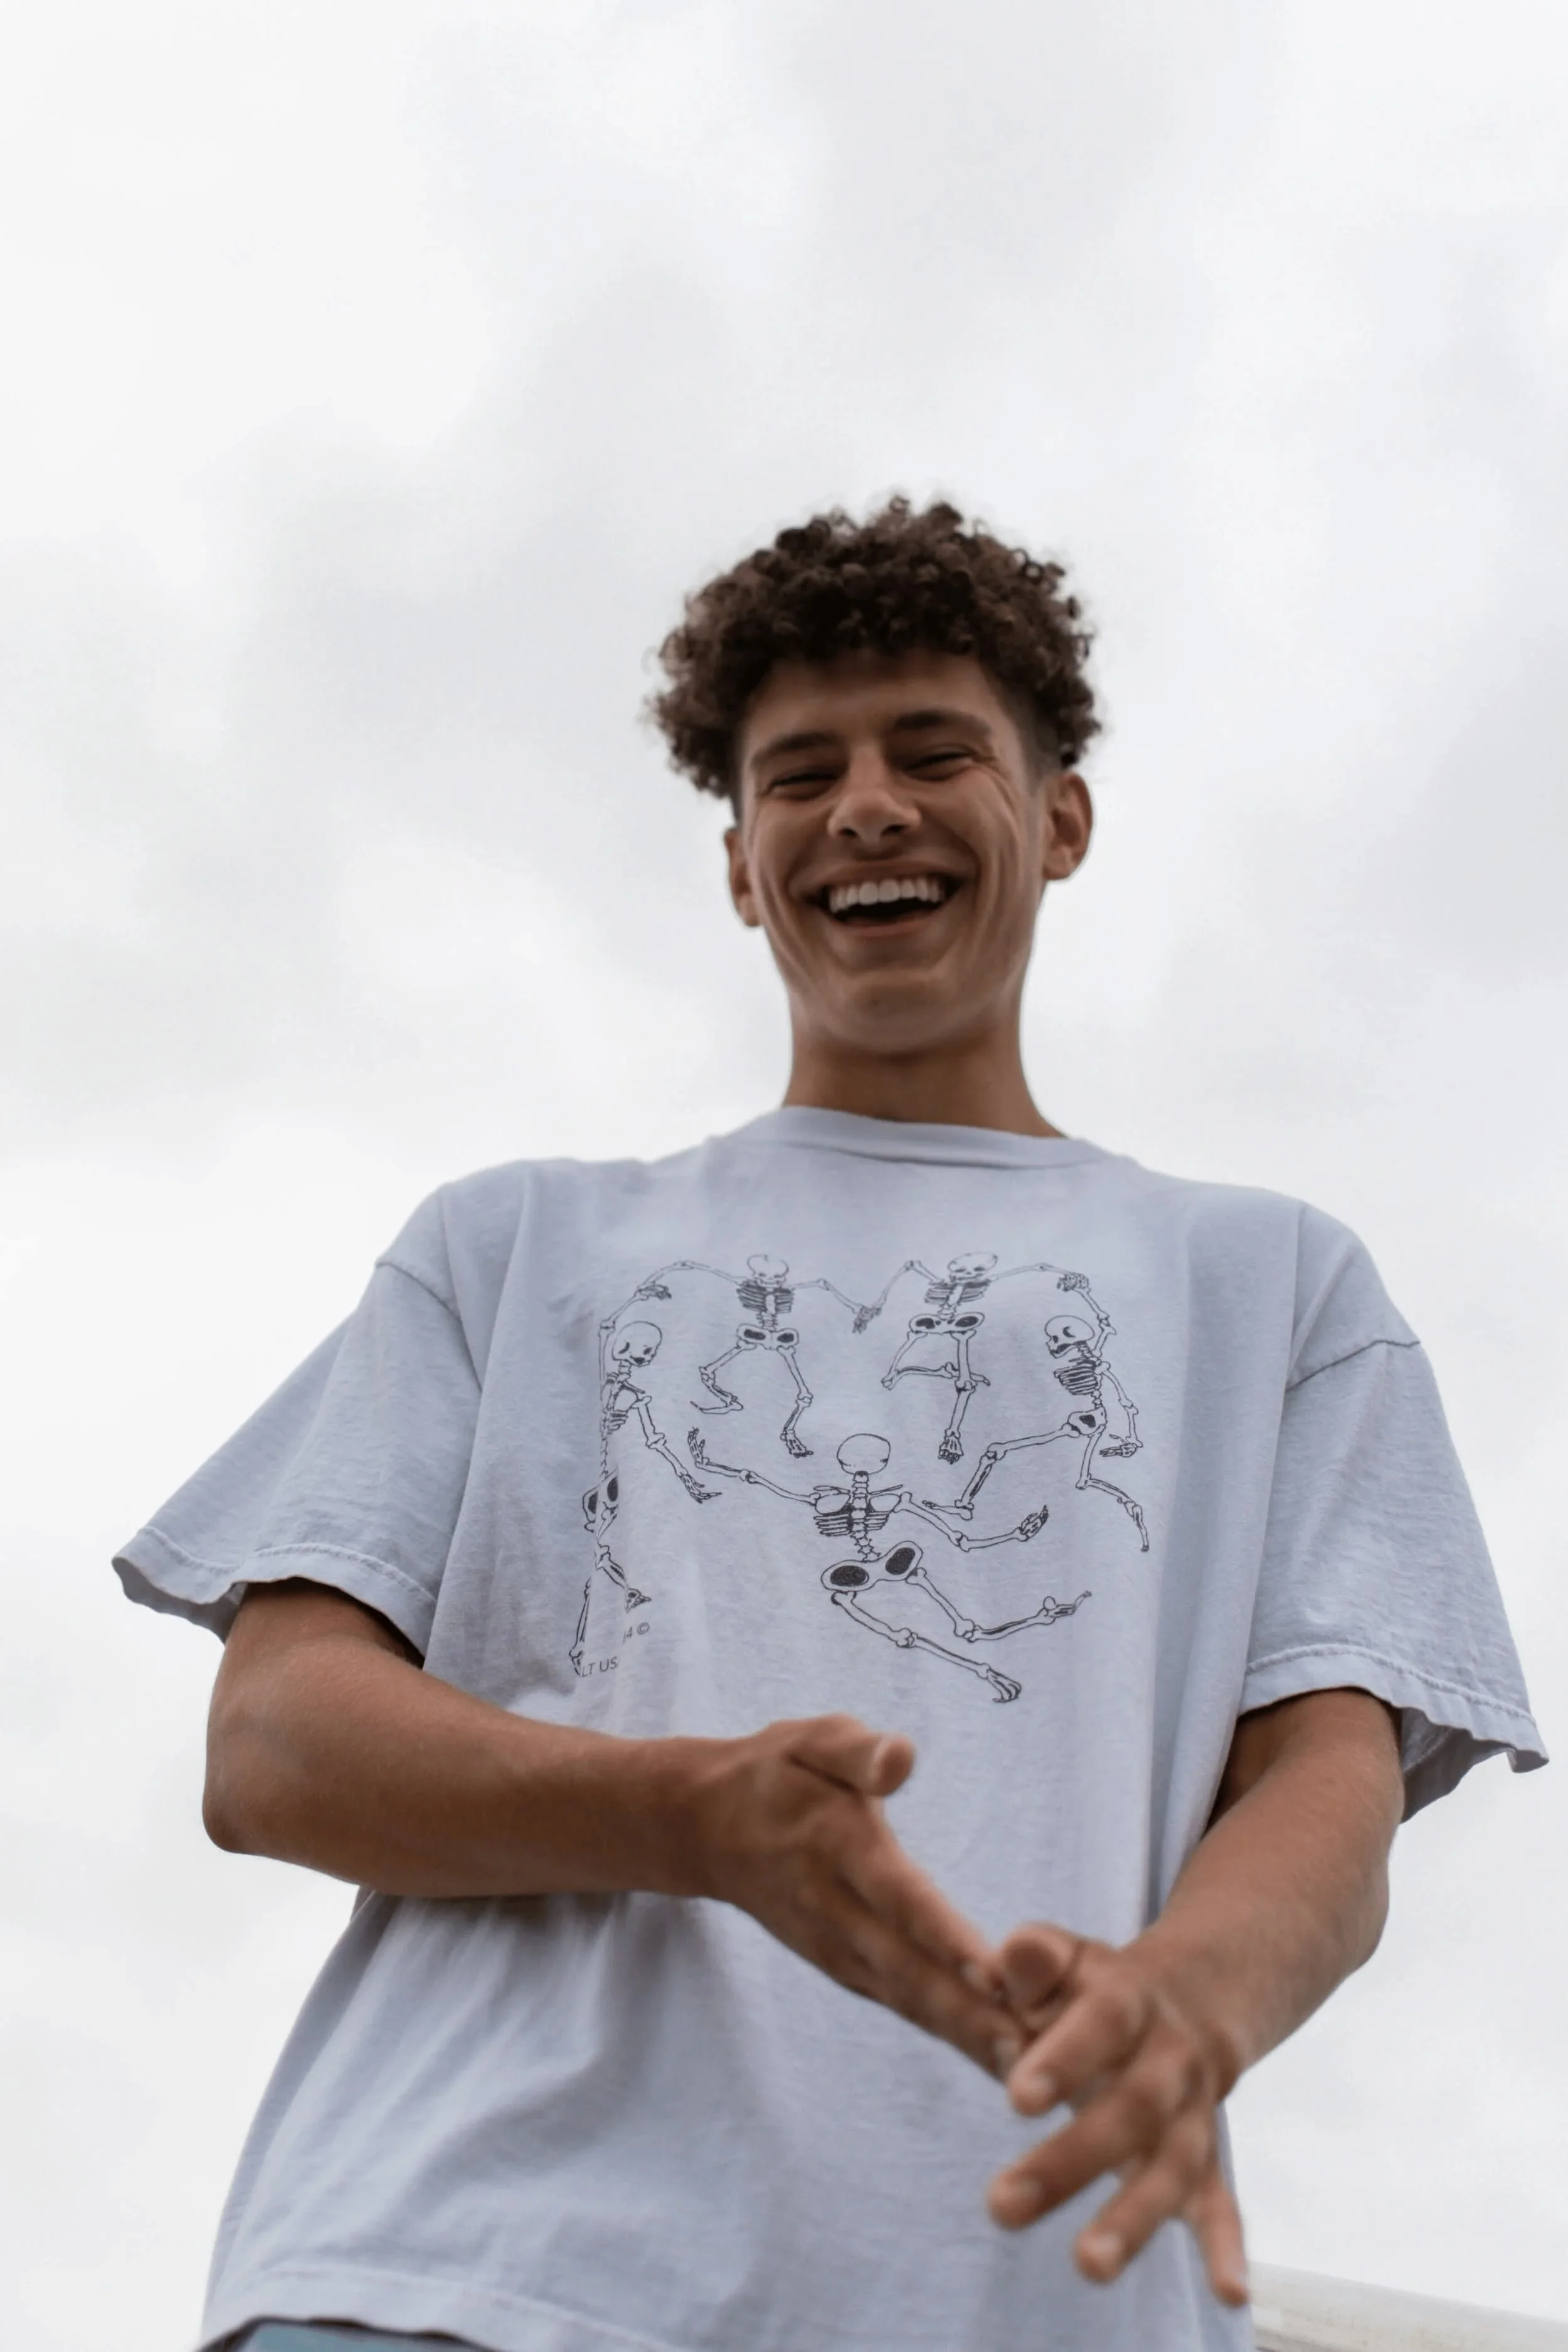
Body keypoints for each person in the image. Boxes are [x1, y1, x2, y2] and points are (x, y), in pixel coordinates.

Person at [115, 499, 1544, 2352]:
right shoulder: (514, 1242)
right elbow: (274, 1741)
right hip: (455, 2278)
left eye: (933, 752)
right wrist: (692, 1813)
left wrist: (1192, 1998)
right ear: (739, 865)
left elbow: (1328, 1779)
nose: (865, 805)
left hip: (1026, 2300)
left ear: (1061, 818)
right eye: (800, 773)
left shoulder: (1272, 1282)